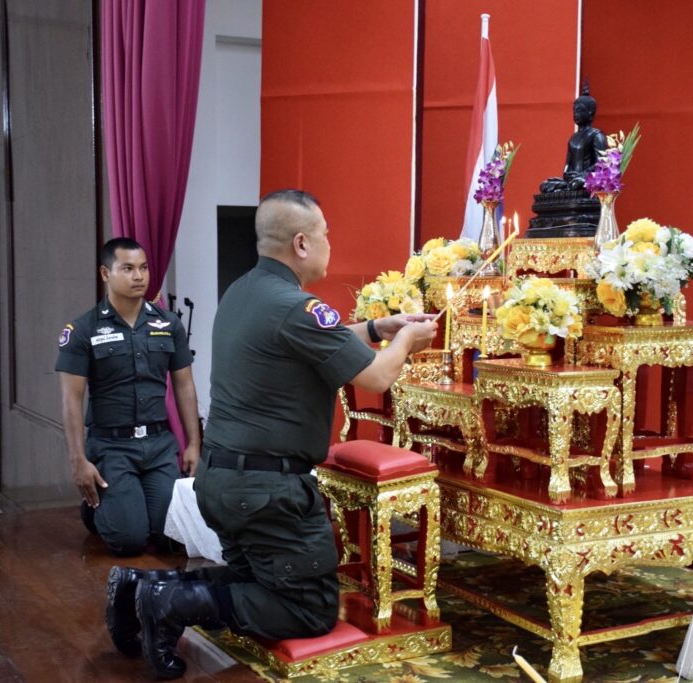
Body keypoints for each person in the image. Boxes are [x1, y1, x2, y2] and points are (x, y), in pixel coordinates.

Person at [109, 190, 438, 678]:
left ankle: (140, 586)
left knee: (258, 581)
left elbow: (315, 340)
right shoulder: (296, 306)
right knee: (310, 609)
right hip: (267, 492)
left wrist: (376, 328)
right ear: (301, 243)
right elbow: (376, 377)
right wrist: (407, 339)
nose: (330, 243)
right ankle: (171, 600)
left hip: (224, 481)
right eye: (325, 233)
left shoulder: (246, 291)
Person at [56, 237, 202, 558]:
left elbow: (184, 385)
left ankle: (121, 504)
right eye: (128, 268)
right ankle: (95, 509)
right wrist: (78, 460)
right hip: (112, 447)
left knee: (172, 537)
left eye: (144, 268)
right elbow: (71, 400)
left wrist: (193, 443)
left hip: (159, 446)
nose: (139, 276)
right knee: (129, 541)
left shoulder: (168, 324)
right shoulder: (82, 330)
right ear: (105, 274)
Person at [540, 85, 608, 193]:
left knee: (577, 184)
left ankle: (567, 189)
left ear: (590, 112)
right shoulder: (573, 138)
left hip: (586, 180)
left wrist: (583, 175)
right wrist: (567, 174)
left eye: (579, 111)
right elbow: (568, 164)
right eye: (574, 111)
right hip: (572, 180)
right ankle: (566, 189)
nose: (576, 114)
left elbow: (602, 164)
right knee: (545, 185)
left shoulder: (596, 135)